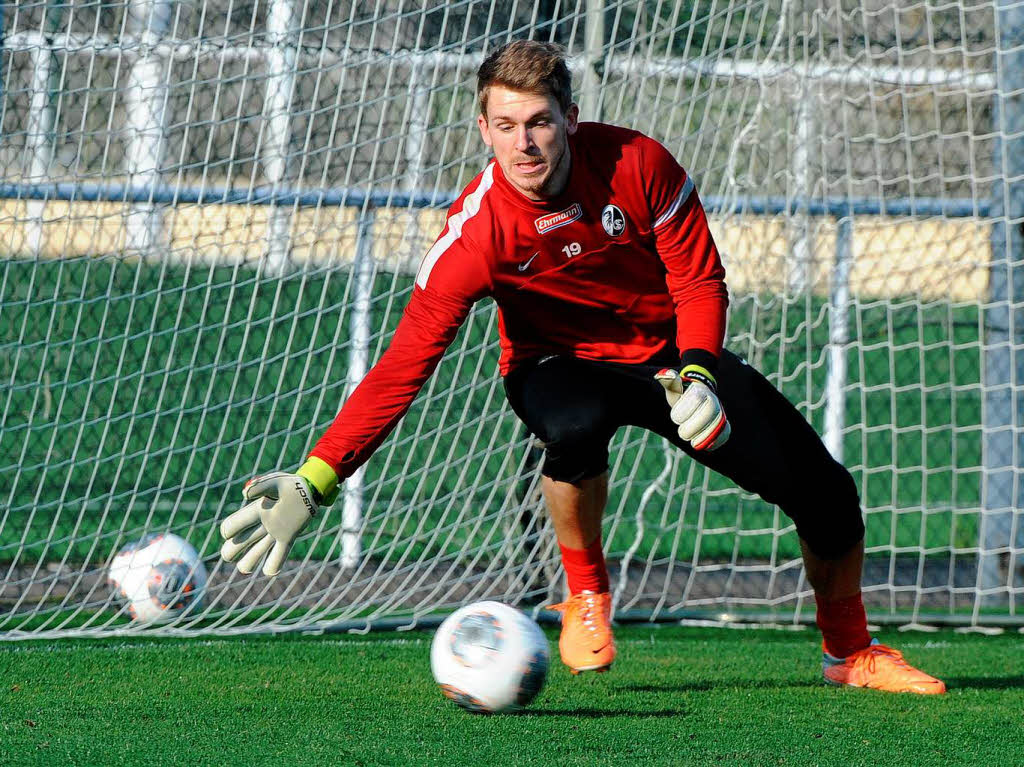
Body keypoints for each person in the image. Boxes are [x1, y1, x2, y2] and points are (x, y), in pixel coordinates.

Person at [219, 40, 945, 694]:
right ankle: (585, 592)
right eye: (505, 126)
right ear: (483, 129)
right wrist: (317, 479)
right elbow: (405, 364)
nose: (523, 142)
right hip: (555, 363)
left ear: (569, 115)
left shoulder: (638, 163)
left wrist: (699, 373)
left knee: (829, 496)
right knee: (575, 421)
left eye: (538, 121)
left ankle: (850, 653)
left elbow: (698, 280)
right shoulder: (473, 236)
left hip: (667, 361)